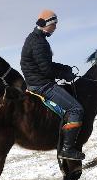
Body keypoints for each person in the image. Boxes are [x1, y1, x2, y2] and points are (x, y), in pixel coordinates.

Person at [20, 9, 85, 161]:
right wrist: (65, 74)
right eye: (54, 25)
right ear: (45, 24)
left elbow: (46, 64)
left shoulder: (36, 38)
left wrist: (64, 68)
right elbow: (47, 69)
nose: (55, 28)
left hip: (37, 81)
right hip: (41, 85)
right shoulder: (38, 42)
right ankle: (67, 149)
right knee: (76, 109)